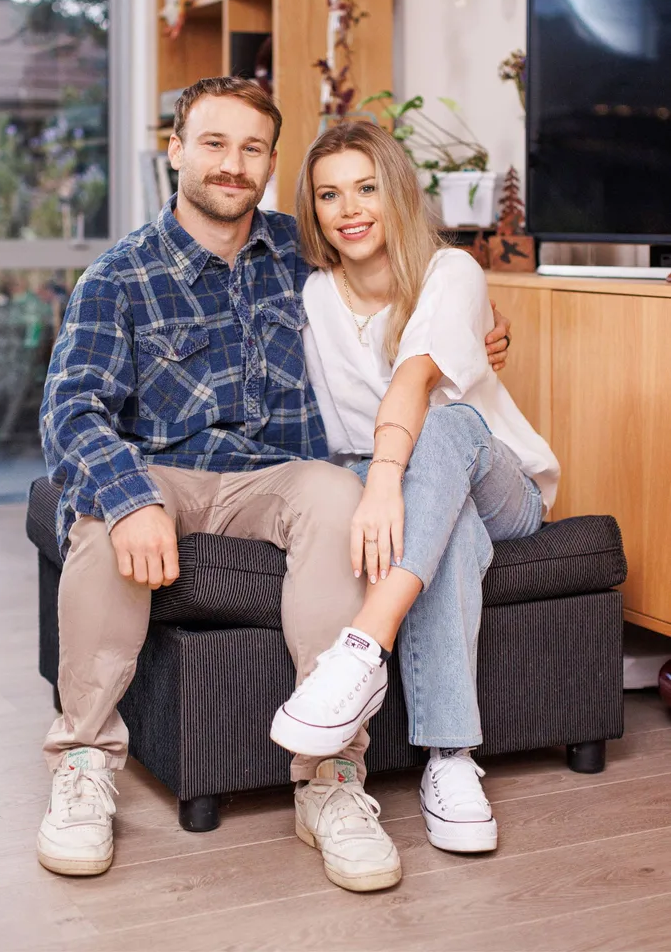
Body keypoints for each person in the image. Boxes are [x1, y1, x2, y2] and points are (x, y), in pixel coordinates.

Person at [36, 77, 511, 891]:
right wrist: (129, 496)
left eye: (252, 148)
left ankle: (329, 779)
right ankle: (83, 761)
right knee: (100, 515)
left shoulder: (305, 250)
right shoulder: (119, 276)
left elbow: (399, 281)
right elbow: (71, 409)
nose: (232, 164)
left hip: (280, 473)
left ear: (269, 161)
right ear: (176, 150)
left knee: (337, 496)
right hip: (165, 469)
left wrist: (475, 335)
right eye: (214, 143)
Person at [270, 119, 560, 855]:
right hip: (398, 486)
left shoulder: (450, 271)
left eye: (366, 187)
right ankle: (452, 762)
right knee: (446, 526)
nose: (350, 208)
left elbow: (415, 379)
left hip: (500, 484)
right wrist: (374, 482)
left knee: (450, 423)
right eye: (330, 194)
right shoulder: (311, 297)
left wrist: (385, 480)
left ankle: (362, 650)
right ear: (314, 209)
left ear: (396, 192)